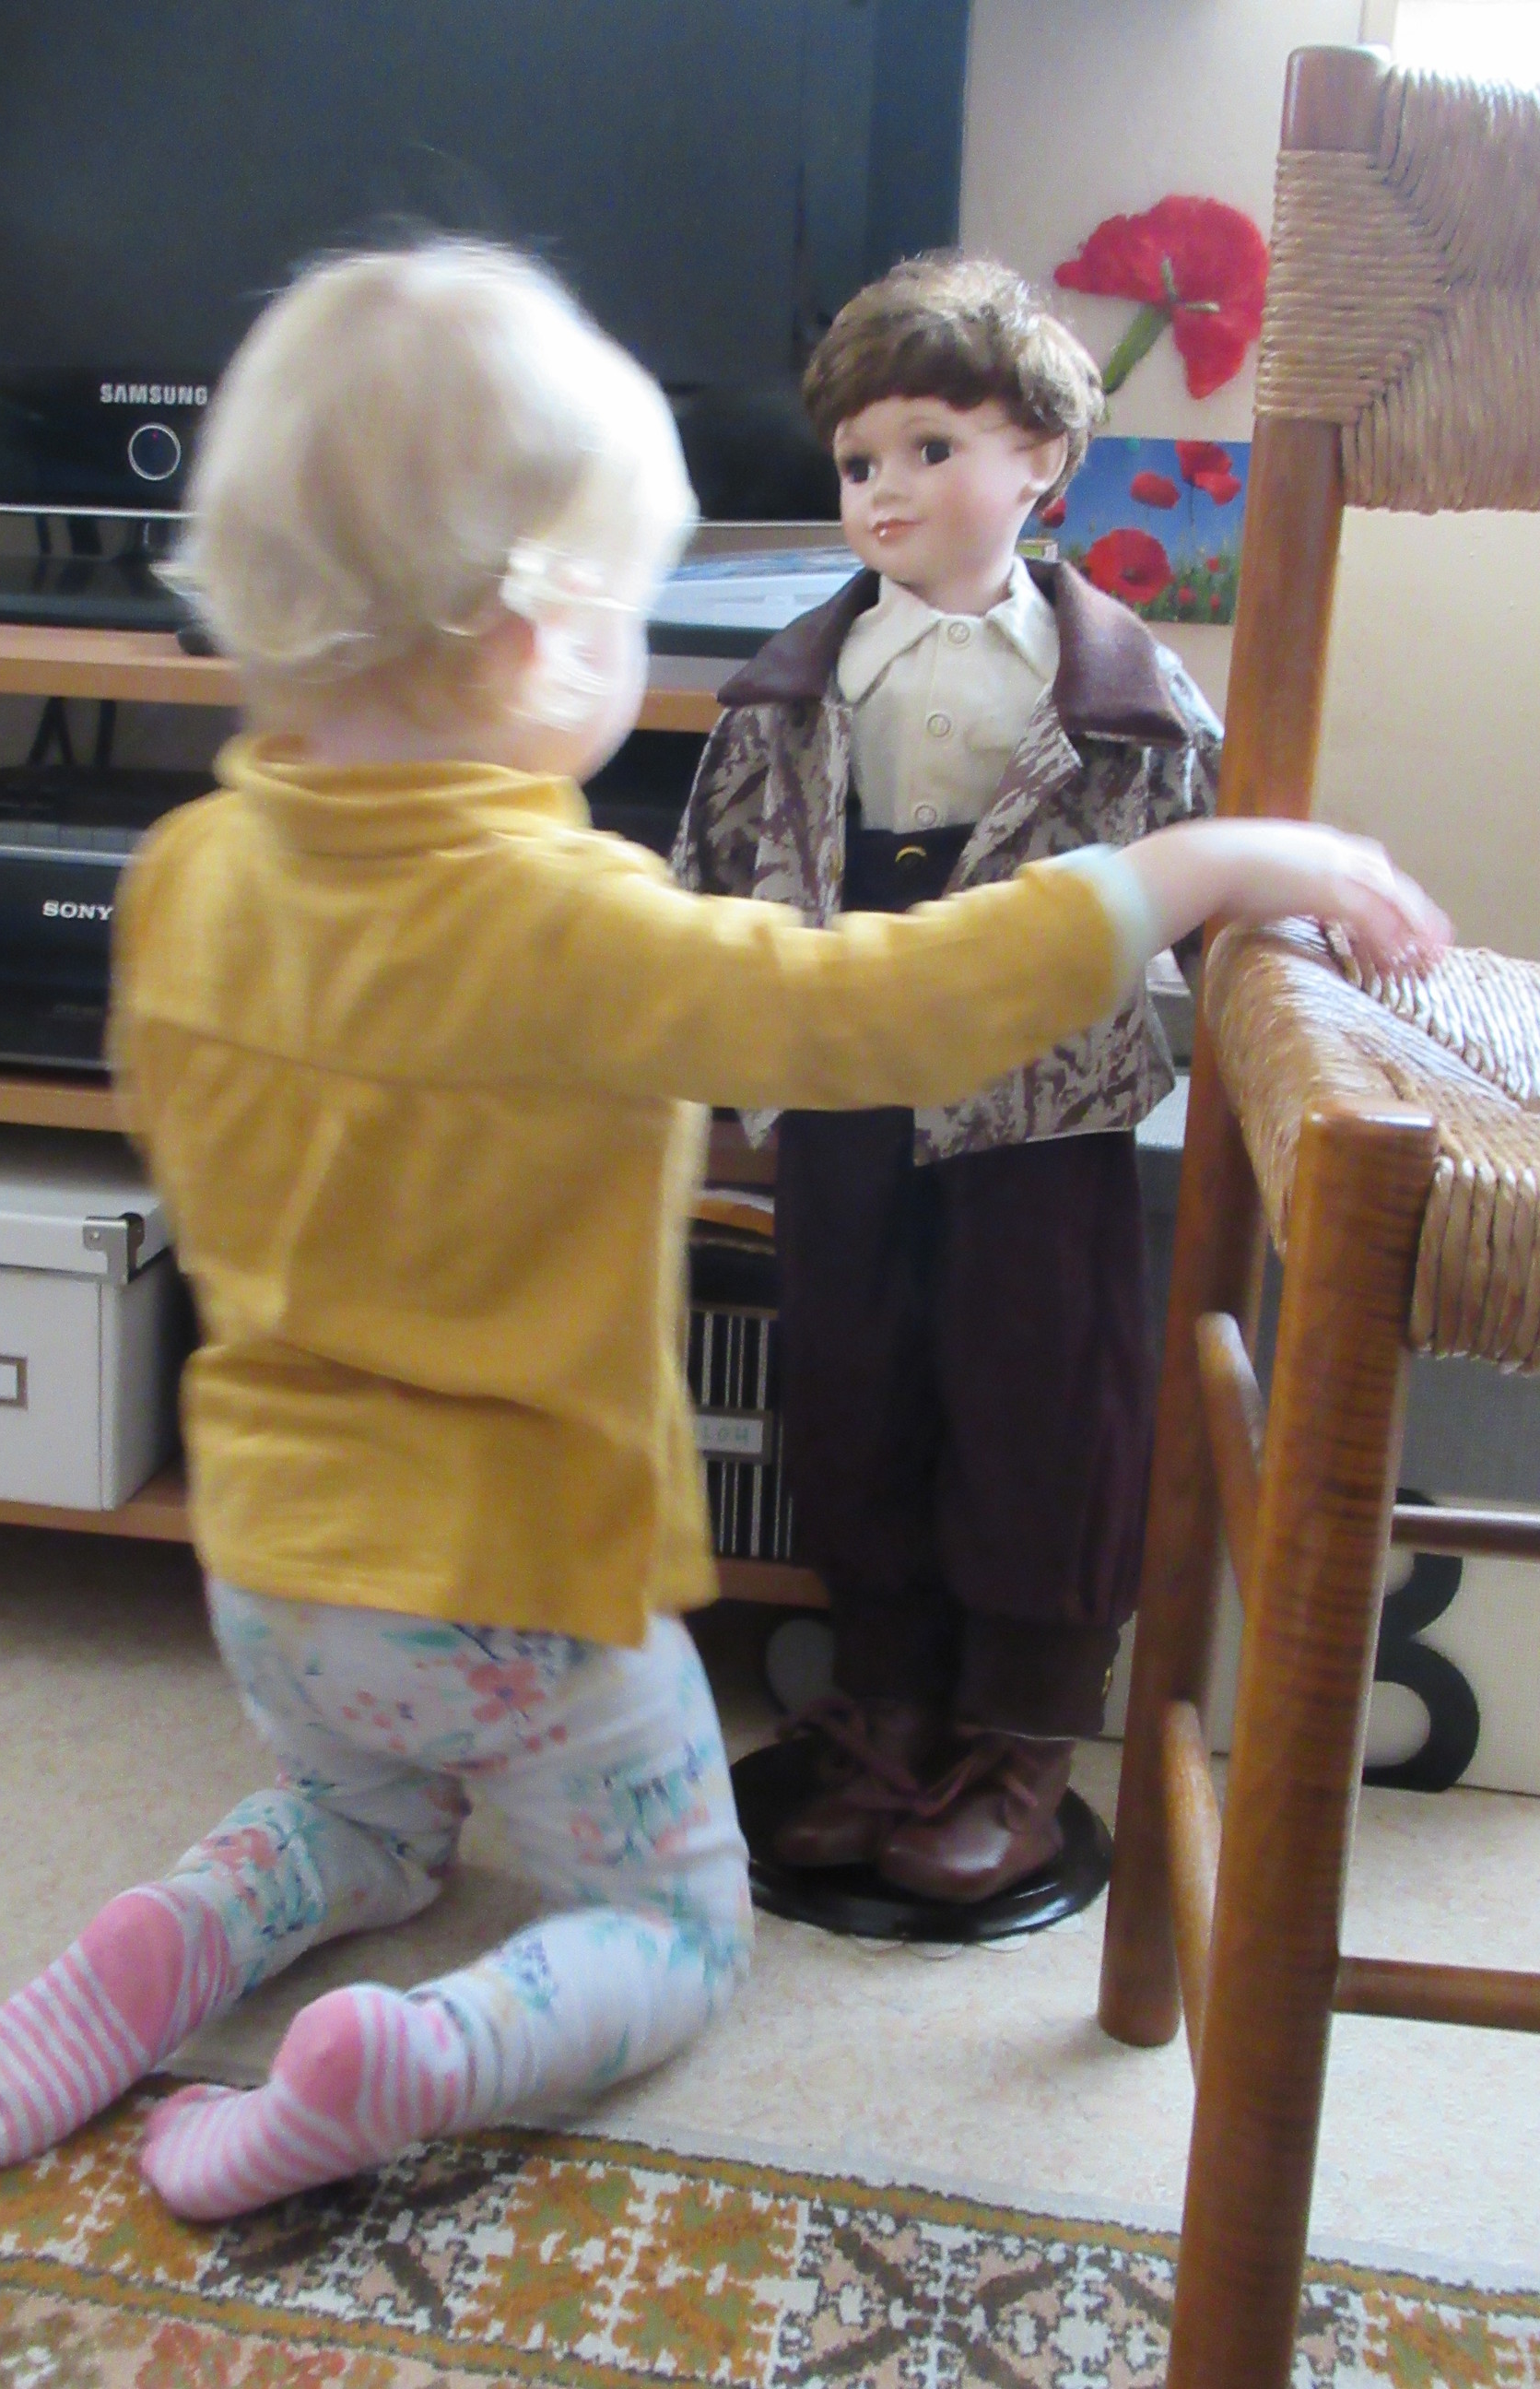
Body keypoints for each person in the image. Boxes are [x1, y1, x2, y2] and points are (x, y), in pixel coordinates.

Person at [0, 240, 1447, 2221]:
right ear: (539, 638)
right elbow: (885, 1004)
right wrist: (1200, 863)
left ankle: (156, 1952)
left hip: (274, 1568)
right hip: (521, 1583)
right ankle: (405, 2057)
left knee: (359, 1818)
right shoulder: (575, 928)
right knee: (674, 1928)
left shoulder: (184, 875)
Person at [669, 253, 1222, 1904]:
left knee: (1043, 1390)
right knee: (854, 1375)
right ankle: (888, 1706)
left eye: (931, 448)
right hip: (844, 1070)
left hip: (1037, 1099)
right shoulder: (793, 687)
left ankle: (1023, 1735)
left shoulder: (1124, 695)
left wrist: (1278, 972)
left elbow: (1202, 859)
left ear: (1041, 458)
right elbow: (708, 873)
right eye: (858, 462)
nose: (885, 490)